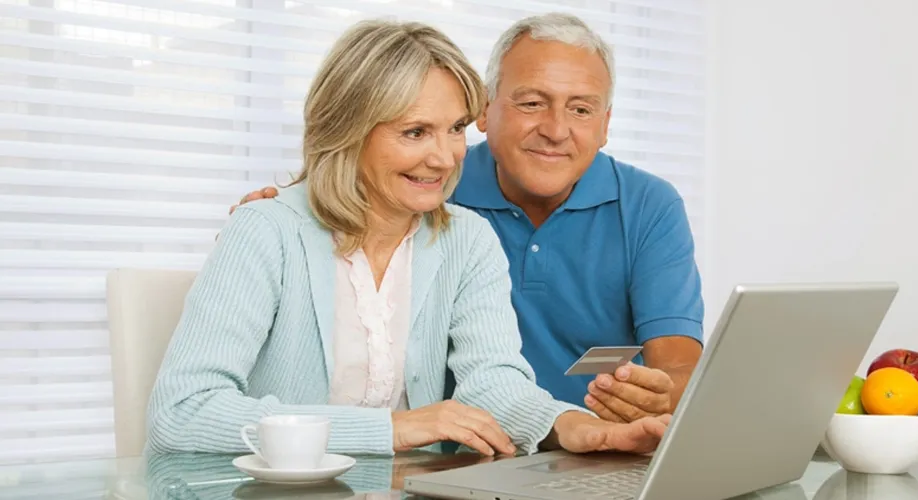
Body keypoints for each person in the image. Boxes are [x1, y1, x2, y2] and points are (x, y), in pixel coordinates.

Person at [147, 18, 671, 458]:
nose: (444, 158)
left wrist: (572, 425)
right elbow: (183, 411)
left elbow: (493, 381)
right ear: (346, 131)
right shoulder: (266, 229)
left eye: (455, 129)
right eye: (415, 132)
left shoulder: (467, 240)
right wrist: (393, 429)